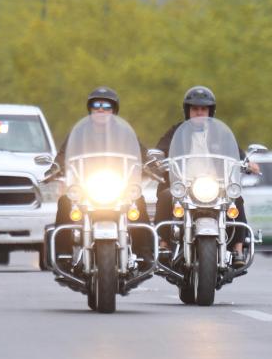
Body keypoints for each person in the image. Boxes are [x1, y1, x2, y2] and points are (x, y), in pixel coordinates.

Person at [153, 86, 259, 268]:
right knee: (165, 196)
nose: (199, 113)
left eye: (203, 109)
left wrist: (247, 163)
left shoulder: (221, 132)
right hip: (185, 184)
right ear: (188, 111)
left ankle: (238, 247)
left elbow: (235, 152)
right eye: (195, 109)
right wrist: (157, 159)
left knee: (236, 199)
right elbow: (161, 149)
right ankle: (164, 244)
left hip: (215, 184)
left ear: (210, 111)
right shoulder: (177, 131)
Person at [49, 86, 152, 268]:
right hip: (87, 184)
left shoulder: (124, 131)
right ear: (90, 109)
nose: (101, 109)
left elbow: (141, 151)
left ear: (114, 110)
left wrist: (152, 164)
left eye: (106, 106)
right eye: (96, 105)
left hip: (118, 184)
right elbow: (64, 153)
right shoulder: (79, 132)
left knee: (138, 202)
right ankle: (62, 254)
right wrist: (55, 167)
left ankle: (144, 252)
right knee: (65, 202)